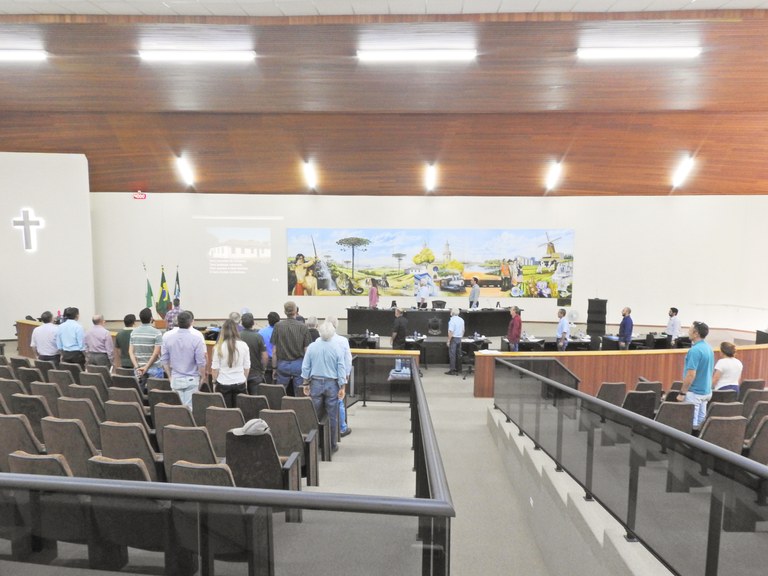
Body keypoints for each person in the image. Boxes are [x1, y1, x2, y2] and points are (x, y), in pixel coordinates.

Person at [301, 320, 347, 453]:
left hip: (315, 382)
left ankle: (316, 445)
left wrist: (305, 383)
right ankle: (331, 445)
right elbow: (341, 368)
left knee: (315, 415)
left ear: (319, 332)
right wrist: (342, 386)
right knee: (332, 415)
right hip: (332, 384)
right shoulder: (337, 348)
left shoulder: (312, 347)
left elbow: (306, 366)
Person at [161, 310, 207, 406]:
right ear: (191, 322)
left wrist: (169, 376)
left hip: (175, 378)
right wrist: (203, 376)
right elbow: (201, 362)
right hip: (192, 378)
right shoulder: (197, 339)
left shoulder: (168, 338)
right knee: (189, 409)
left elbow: (164, 360)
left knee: (177, 408)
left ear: (177, 322)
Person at [676, 321, 715, 430]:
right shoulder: (709, 348)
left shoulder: (695, 351)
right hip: (706, 392)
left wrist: (682, 393)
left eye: (690, 329)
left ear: (696, 333)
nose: (688, 331)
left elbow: (691, 375)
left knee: (689, 426)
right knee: (700, 427)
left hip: (694, 394)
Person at [271, 301, 312, 396]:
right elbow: (307, 351)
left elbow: (274, 351)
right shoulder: (303, 327)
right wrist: (308, 369)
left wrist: (274, 368)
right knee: (300, 393)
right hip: (299, 364)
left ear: (285, 312)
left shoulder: (278, 326)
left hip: (282, 364)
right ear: (295, 311)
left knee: (280, 393)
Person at [211, 319, 250, 408]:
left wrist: (214, 382)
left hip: (223, 383)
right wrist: (244, 379)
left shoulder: (218, 347)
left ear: (223, 331)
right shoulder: (244, 345)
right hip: (240, 382)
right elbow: (247, 367)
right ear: (236, 330)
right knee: (239, 412)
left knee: (225, 412)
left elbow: (215, 369)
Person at [326, 316, 353, 437]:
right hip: (338, 376)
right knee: (339, 401)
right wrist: (347, 374)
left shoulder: (319, 340)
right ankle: (342, 428)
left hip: (323, 375)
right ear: (336, 326)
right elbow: (348, 359)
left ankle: (328, 429)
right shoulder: (342, 341)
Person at [130, 307, 165, 390]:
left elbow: (131, 352)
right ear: (151, 318)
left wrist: (137, 367)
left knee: (139, 395)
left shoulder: (133, 332)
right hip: (154, 368)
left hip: (139, 369)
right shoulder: (157, 333)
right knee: (156, 395)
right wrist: (146, 367)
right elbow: (156, 353)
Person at [240, 312, 268, 394]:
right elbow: (265, 357)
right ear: (253, 323)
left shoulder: (237, 336)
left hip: (241, 373)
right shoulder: (258, 336)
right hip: (256, 373)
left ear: (242, 323)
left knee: (241, 398)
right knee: (255, 399)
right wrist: (263, 369)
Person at [259, 312, 280, 383]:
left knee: (266, 384)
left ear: (268, 321)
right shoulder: (281, 332)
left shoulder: (261, 332)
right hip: (278, 361)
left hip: (265, 361)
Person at [445, 308, 465, 376]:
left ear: (452, 313)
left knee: (452, 355)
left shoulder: (452, 320)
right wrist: (460, 337)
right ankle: (459, 369)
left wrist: (448, 340)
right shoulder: (461, 320)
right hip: (459, 338)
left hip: (453, 339)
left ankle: (452, 370)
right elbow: (463, 330)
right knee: (459, 354)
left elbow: (450, 331)